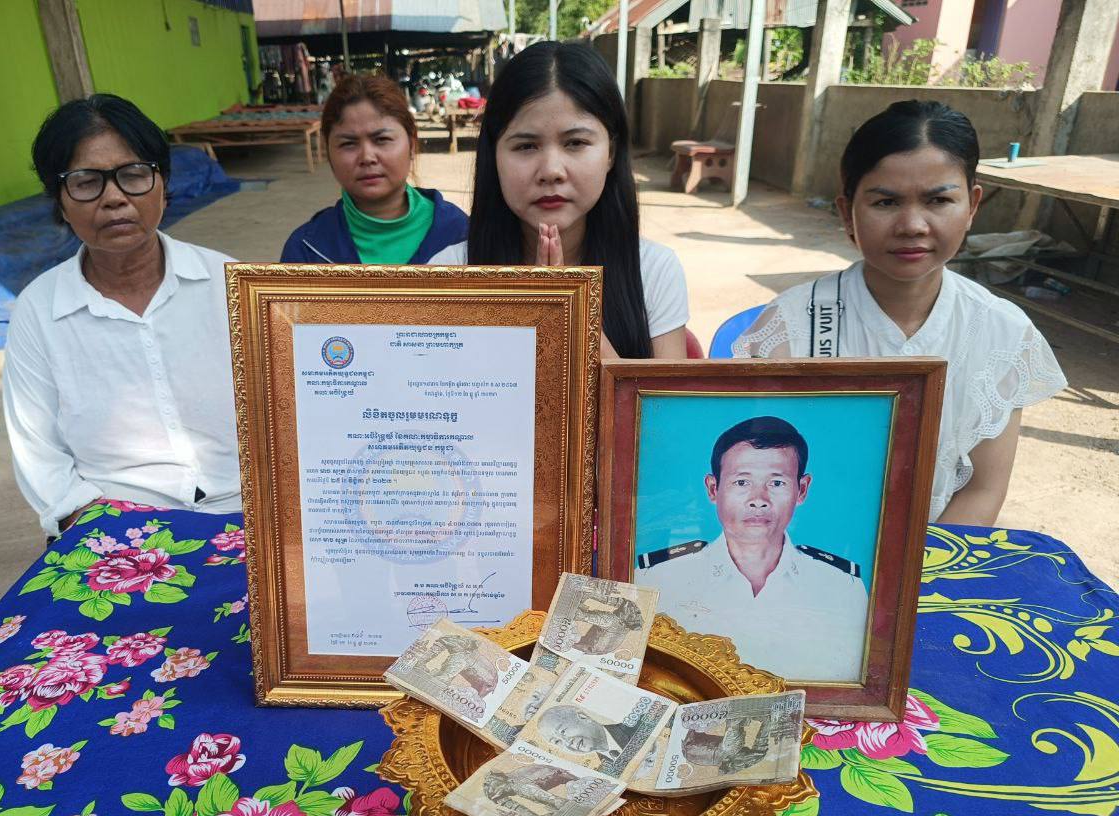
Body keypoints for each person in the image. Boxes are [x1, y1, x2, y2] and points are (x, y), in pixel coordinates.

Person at [733, 100, 1066, 524]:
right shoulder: (791, 325)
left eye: (938, 200)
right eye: (886, 203)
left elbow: (982, 490)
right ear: (847, 212)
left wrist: (927, 564)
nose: (912, 225)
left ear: (972, 206)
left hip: (940, 551)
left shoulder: (1002, 333)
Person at [3, 94, 240, 538]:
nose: (114, 198)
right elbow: (39, 453)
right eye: (86, 182)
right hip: (114, 522)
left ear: (162, 184)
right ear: (60, 200)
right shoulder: (39, 310)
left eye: (133, 175)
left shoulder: (228, 281)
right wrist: (101, 531)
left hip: (249, 504)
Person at [429, 42, 689, 360]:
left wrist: (570, 310)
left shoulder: (654, 270)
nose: (551, 171)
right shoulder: (448, 273)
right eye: (526, 146)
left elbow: (659, 394)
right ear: (493, 155)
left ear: (610, 152)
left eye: (576, 143)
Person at [634, 417, 868, 683]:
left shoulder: (843, 587)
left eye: (776, 483)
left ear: (801, 490)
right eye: (742, 482)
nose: (759, 500)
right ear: (713, 488)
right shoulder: (655, 579)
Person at [281, 74, 468, 265]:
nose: (367, 157)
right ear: (328, 153)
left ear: (411, 145)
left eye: (382, 139)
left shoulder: (461, 235)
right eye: (348, 143)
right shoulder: (306, 250)